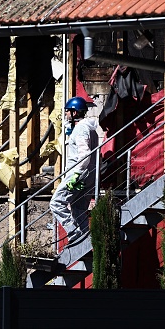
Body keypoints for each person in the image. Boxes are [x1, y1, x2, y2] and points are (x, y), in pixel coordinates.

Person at [50, 96, 99, 244]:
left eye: (67, 112)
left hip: (78, 173)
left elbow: (84, 153)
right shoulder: (90, 129)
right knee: (78, 209)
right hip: (90, 174)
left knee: (56, 203)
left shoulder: (82, 128)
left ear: (75, 112)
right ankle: (85, 239)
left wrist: (76, 174)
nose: (65, 114)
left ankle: (73, 232)